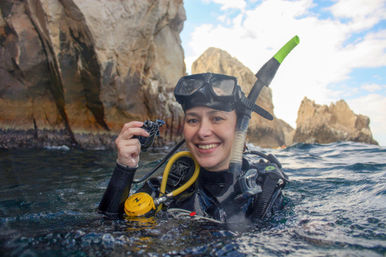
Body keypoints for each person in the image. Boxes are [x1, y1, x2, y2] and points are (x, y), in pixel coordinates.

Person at [98, 72, 288, 223]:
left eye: (217, 118)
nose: (202, 131)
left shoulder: (264, 190)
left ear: (241, 131)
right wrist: (124, 168)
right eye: (193, 120)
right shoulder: (166, 187)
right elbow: (106, 229)